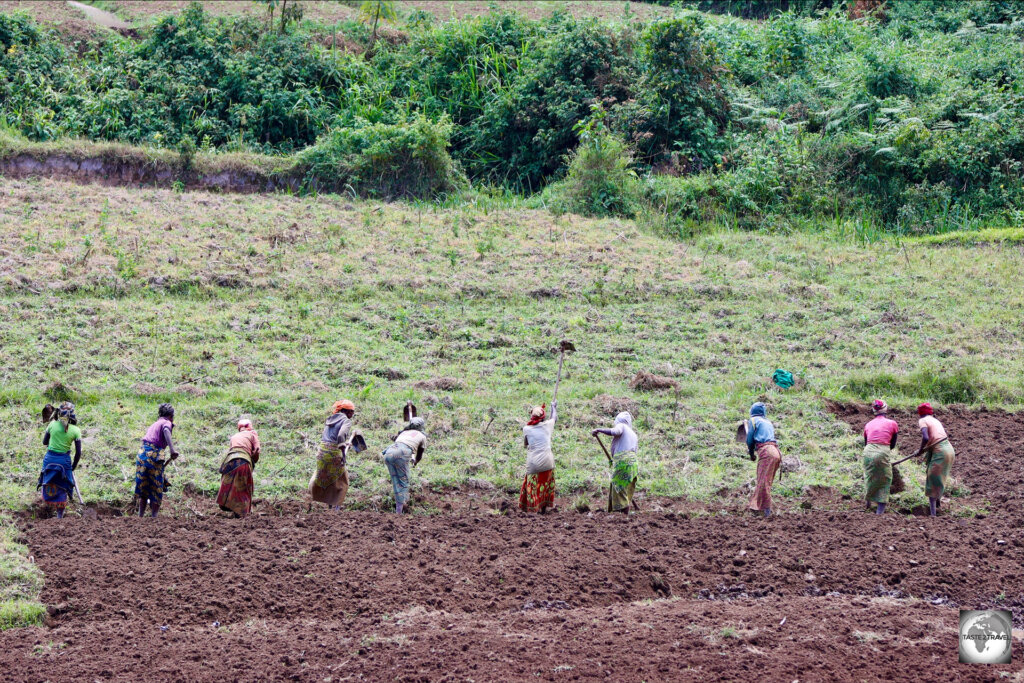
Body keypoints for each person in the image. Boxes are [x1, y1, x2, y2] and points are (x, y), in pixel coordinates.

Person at [38, 402, 82, 519]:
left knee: (48, 480)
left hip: (49, 459)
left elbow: (44, 442)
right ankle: (59, 516)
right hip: (64, 461)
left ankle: (46, 505)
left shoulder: (52, 425)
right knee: (63, 485)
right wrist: (73, 466)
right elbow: (78, 453)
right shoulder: (76, 430)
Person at [134, 403, 179, 518]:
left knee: (144, 486)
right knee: (157, 486)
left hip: (142, 454)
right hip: (154, 455)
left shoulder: (154, 424)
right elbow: (166, 431)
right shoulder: (166, 423)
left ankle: (140, 516)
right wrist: (172, 450)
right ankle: (154, 517)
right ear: (171, 416)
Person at [310, 400, 354, 510]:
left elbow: (330, 438)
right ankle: (336, 509)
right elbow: (340, 436)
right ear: (346, 412)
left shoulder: (330, 419)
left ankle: (328, 507)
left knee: (328, 479)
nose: (353, 414)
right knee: (343, 481)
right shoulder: (346, 421)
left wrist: (345, 443)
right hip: (333, 453)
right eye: (352, 412)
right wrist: (342, 446)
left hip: (322, 452)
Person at [592, 412, 639, 513]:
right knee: (624, 490)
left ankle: (623, 517)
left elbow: (615, 431)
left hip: (623, 462)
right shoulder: (633, 434)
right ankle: (622, 516)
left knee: (619, 490)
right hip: (633, 464)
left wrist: (599, 430)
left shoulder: (621, 426)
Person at [914, 403, 955, 517]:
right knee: (938, 477)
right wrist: (921, 450)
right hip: (949, 449)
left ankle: (933, 515)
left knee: (933, 478)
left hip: (941, 451)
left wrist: (920, 450)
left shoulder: (923, 420)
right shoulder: (935, 420)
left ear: (920, 413)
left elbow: (926, 437)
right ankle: (937, 505)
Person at [217, 418, 261, 517]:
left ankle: (229, 506)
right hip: (243, 461)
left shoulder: (234, 436)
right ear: (249, 426)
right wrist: (254, 459)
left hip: (229, 461)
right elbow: (257, 450)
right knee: (245, 487)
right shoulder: (252, 434)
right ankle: (242, 514)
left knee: (229, 485)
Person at [383, 416, 427, 514]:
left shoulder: (403, 432)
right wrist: (415, 462)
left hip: (388, 453)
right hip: (402, 453)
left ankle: (400, 506)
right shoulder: (422, 436)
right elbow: (419, 455)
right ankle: (401, 510)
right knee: (404, 482)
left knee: (396, 481)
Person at [745, 402, 781, 517]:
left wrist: (751, 454)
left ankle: (764, 510)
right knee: (766, 481)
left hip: (766, 452)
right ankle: (760, 508)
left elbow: (749, 439)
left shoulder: (754, 420)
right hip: (776, 452)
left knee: (763, 481)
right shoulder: (768, 422)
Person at [520, 400, 557, 513]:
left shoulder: (527, 429)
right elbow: (554, 418)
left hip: (534, 464)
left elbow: (526, 444)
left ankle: (533, 511)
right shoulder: (547, 426)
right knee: (545, 485)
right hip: (548, 462)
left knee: (533, 487)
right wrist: (553, 407)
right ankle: (544, 508)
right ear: (543, 418)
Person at [863, 399, 898, 515]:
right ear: (885, 409)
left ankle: (868, 502)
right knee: (885, 479)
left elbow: (866, 442)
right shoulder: (892, 423)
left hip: (868, 451)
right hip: (883, 451)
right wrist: (883, 455)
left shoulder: (868, 424)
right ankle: (879, 512)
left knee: (870, 476)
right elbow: (892, 444)